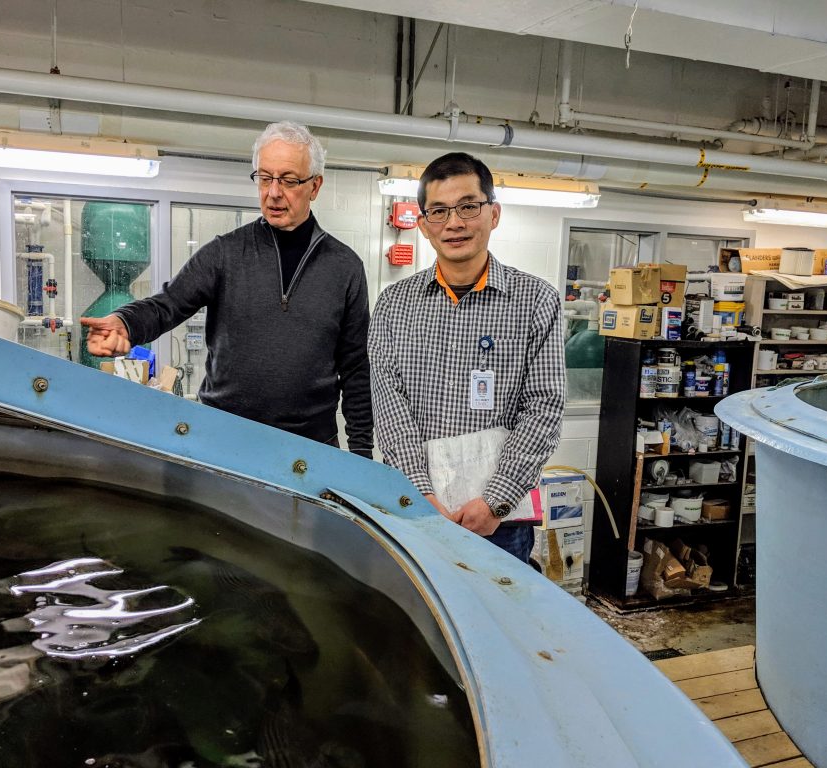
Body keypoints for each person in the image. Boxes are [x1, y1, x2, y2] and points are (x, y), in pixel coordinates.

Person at [81, 121, 373, 457]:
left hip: (310, 450)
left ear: (315, 186)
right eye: (265, 178)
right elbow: (168, 304)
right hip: (224, 441)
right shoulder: (225, 253)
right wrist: (126, 322)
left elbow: (356, 368)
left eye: (288, 180)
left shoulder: (344, 267)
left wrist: (362, 453)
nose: (273, 192)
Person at [368, 152, 566, 562]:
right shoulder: (393, 305)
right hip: (418, 514)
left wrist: (495, 501)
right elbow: (389, 407)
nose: (454, 223)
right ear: (423, 225)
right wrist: (419, 495)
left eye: (468, 207)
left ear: (494, 214)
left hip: (501, 524)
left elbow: (544, 406)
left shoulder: (535, 300)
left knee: (498, 604)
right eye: (439, 211)